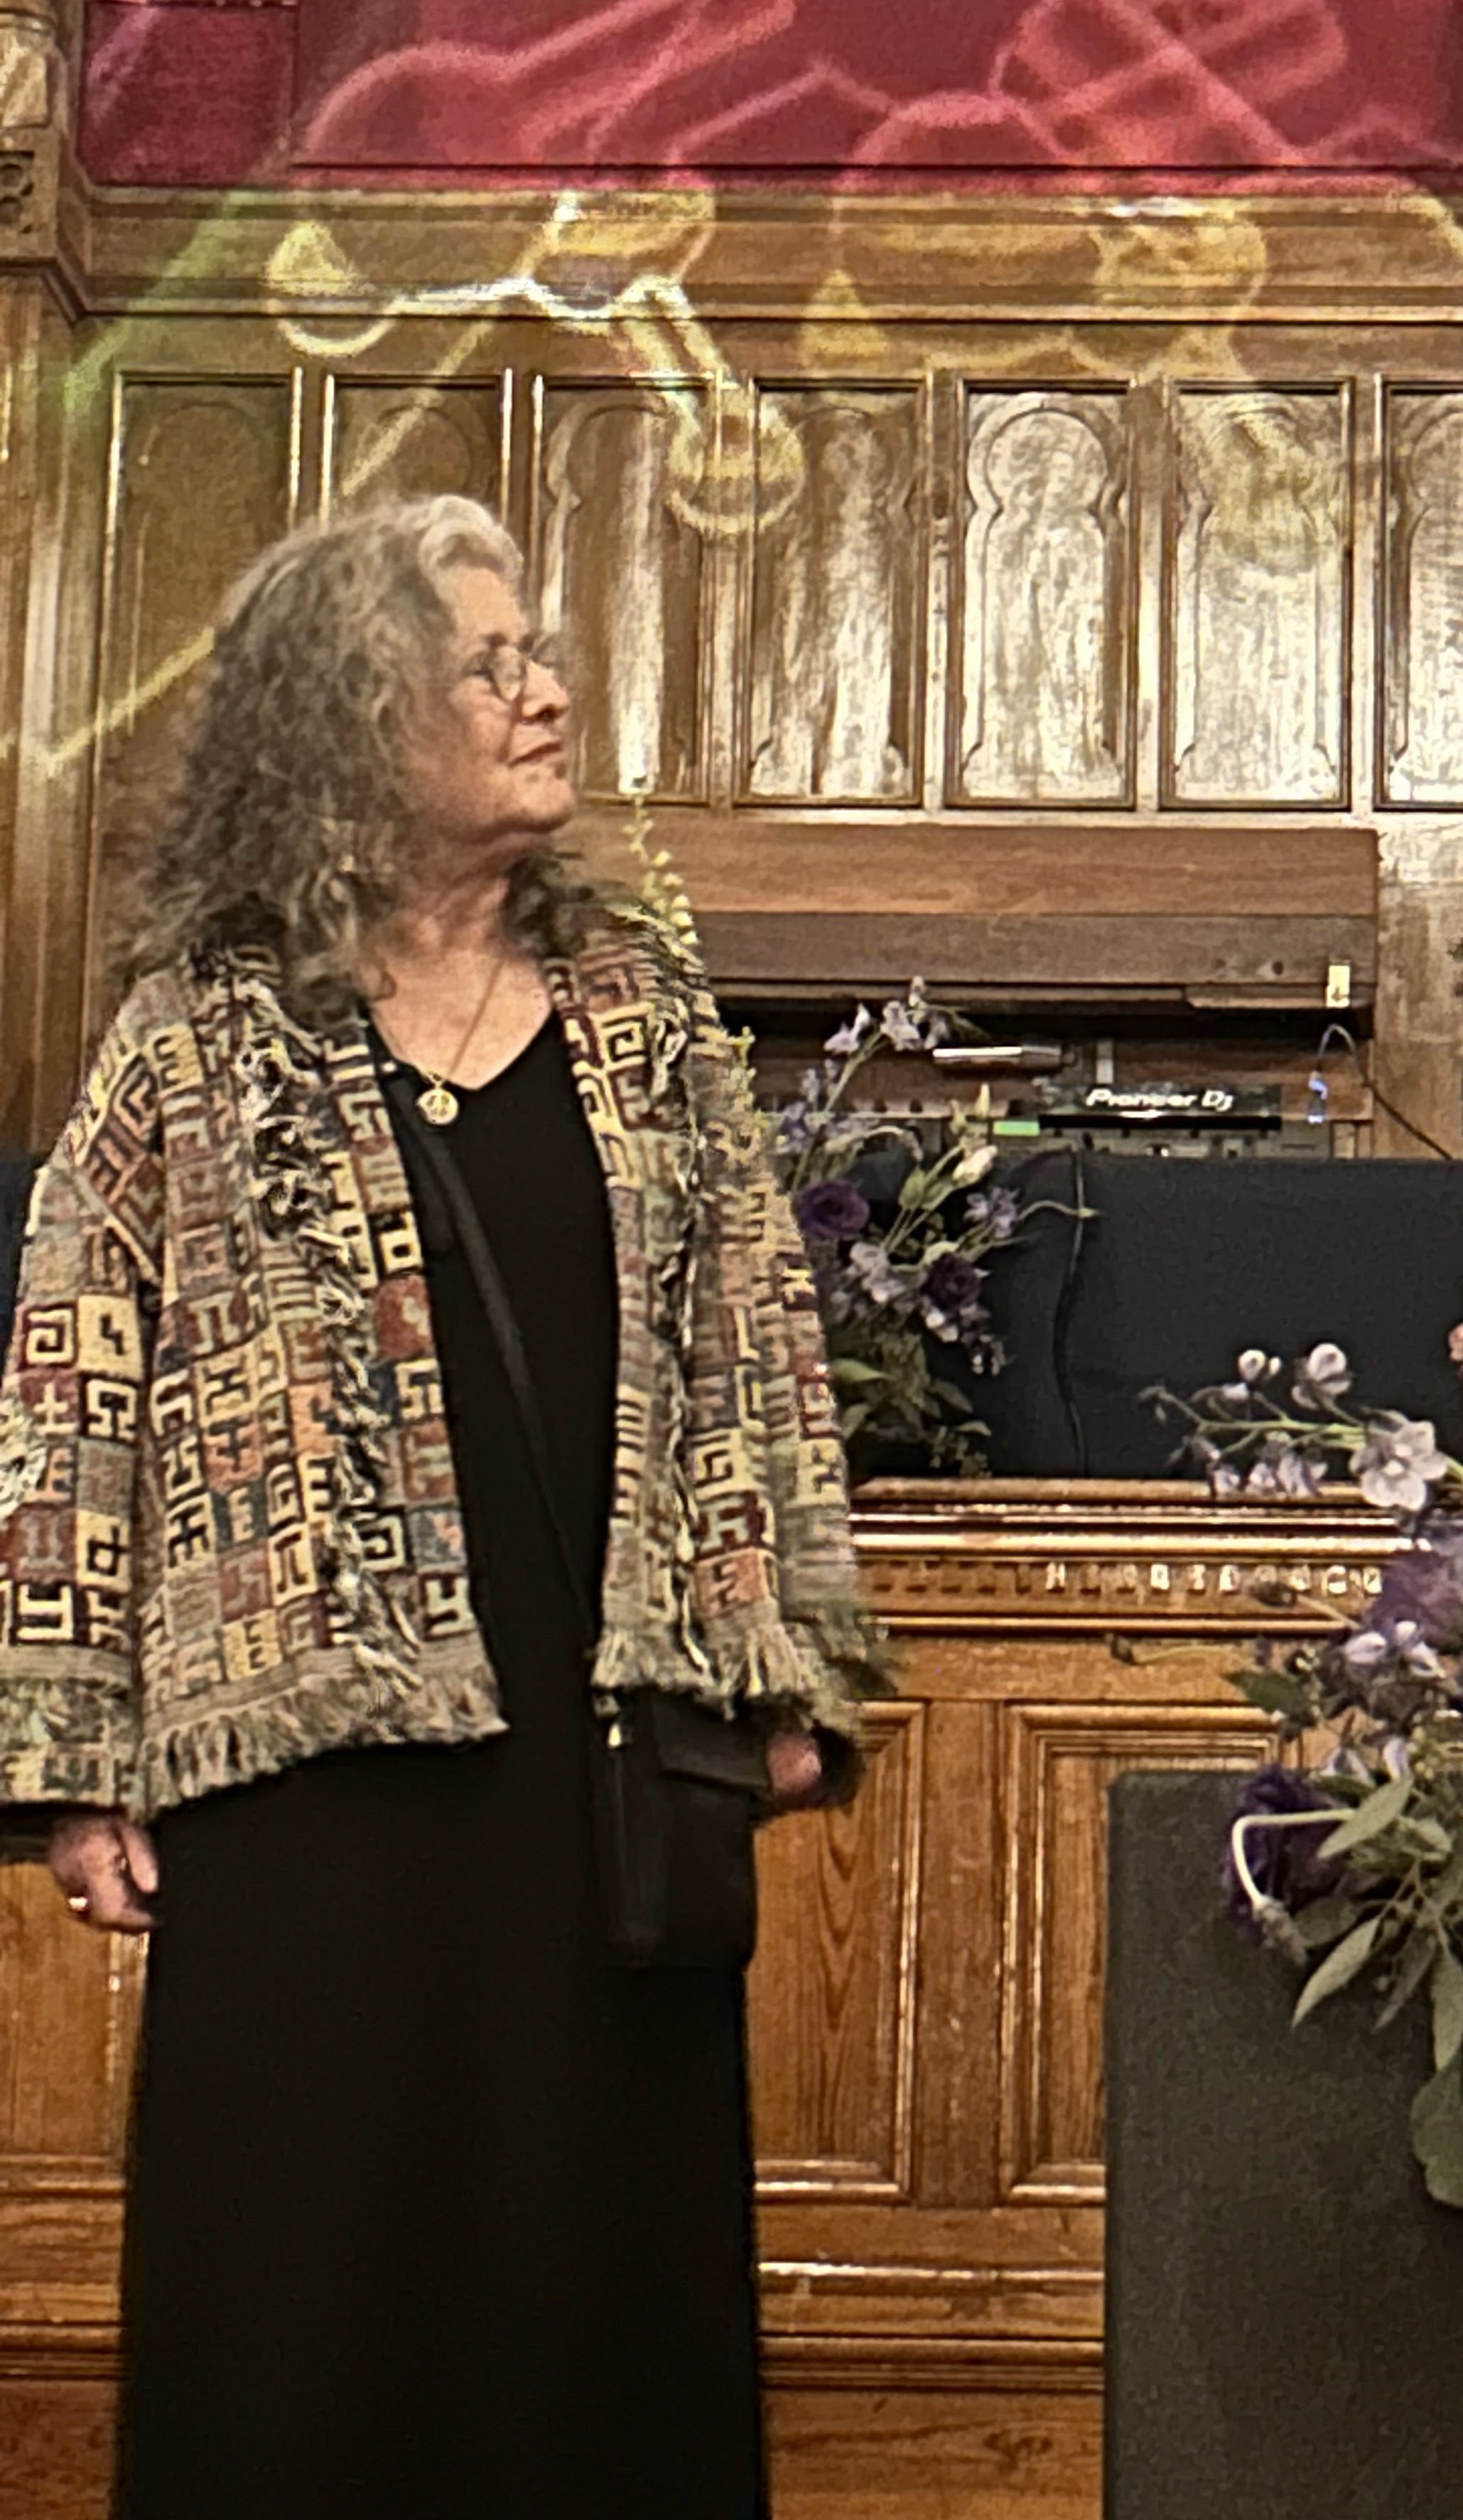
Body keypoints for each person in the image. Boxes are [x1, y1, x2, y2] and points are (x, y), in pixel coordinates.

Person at [0, 495, 884, 2520]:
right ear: (348, 716)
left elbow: (758, 1337)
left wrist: (792, 1671)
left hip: (604, 1776)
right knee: (297, 2318)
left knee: (590, 2317)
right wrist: (72, 1758)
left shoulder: (644, 1014)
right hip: (291, 1790)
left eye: (536, 653)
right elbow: (70, 1386)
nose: (541, 692)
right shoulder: (194, 1035)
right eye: (485, 666)